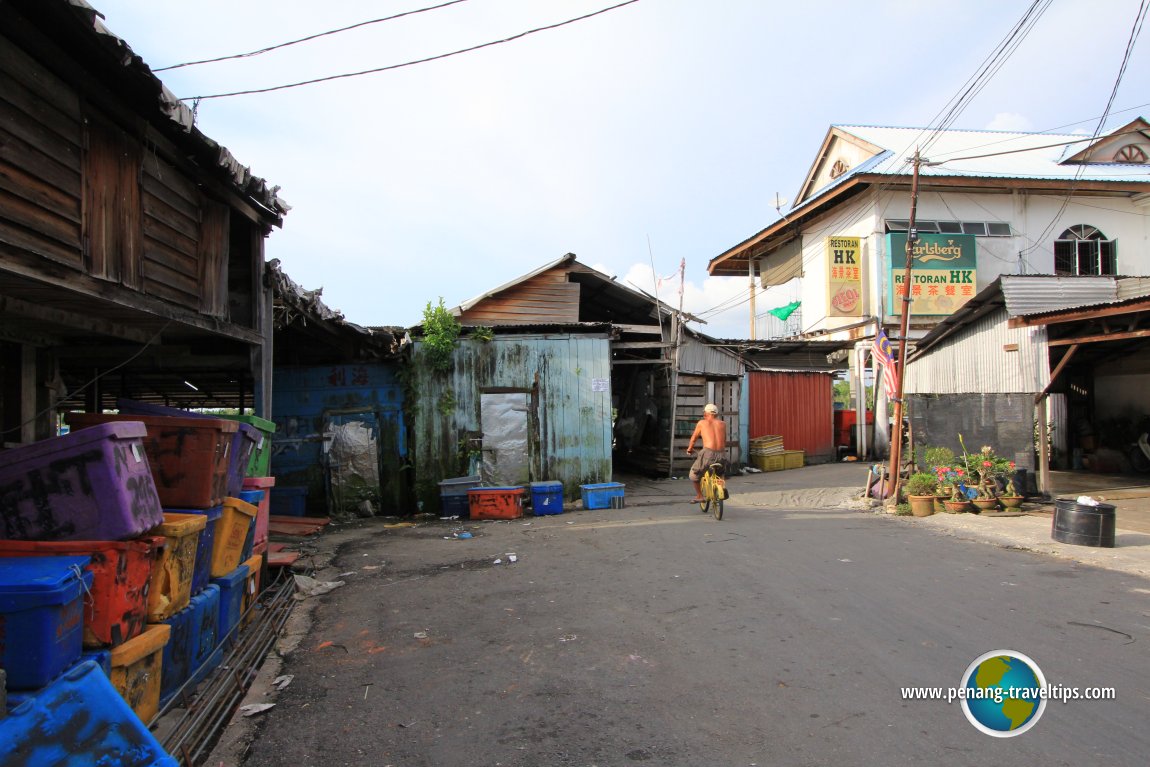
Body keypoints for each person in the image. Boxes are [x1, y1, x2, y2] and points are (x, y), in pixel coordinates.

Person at [686, 403, 727, 502]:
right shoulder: (723, 424)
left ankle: (700, 496)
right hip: (722, 454)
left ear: (706, 413)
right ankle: (722, 487)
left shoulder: (702, 423)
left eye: (704, 412)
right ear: (716, 414)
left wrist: (689, 449)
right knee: (719, 473)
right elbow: (724, 440)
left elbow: (694, 438)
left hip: (708, 454)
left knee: (694, 474)